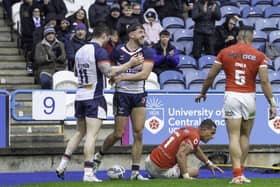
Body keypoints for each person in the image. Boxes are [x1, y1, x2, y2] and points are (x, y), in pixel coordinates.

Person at [55, 23, 144, 182]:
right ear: (103, 35)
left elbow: (76, 73)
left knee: (79, 132)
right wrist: (129, 64)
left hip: (80, 95)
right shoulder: (99, 51)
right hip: (94, 97)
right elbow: (108, 71)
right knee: (91, 135)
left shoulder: (80, 50)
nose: (107, 41)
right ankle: (88, 172)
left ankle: (62, 164)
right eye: (107, 38)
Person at [195, 26, 277, 184]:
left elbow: (211, 75)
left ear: (238, 36)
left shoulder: (225, 52)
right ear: (250, 37)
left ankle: (236, 174)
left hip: (232, 95)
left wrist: (203, 92)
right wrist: (272, 104)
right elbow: (265, 82)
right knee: (245, 136)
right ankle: (242, 173)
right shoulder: (259, 55)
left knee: (233, 136)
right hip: (249, 97)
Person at [93, 24, 154, 180]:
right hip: (121, 95)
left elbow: (144, 75)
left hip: (139, 94)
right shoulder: (118, 50)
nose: (143, 35)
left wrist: (123, 77)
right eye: (140, 32)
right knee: (119, 133)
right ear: (131, 34)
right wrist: (115, 77)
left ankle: (135, 172)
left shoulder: (147, 51)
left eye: (144, 32)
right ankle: (98, 156)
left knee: (138, 133)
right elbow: (110, 72)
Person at [145, 119, 224, 179]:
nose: (212, 137)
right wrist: (186, 176)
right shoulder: (195, 137)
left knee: (182, 165)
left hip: (149, 161)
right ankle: (158, 175)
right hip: (159, 170)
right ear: (204, 129)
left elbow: (195, 148)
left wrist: (209, 163)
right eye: (212, 133)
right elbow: (180, 155)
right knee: (195, 171)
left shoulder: (190, 130)